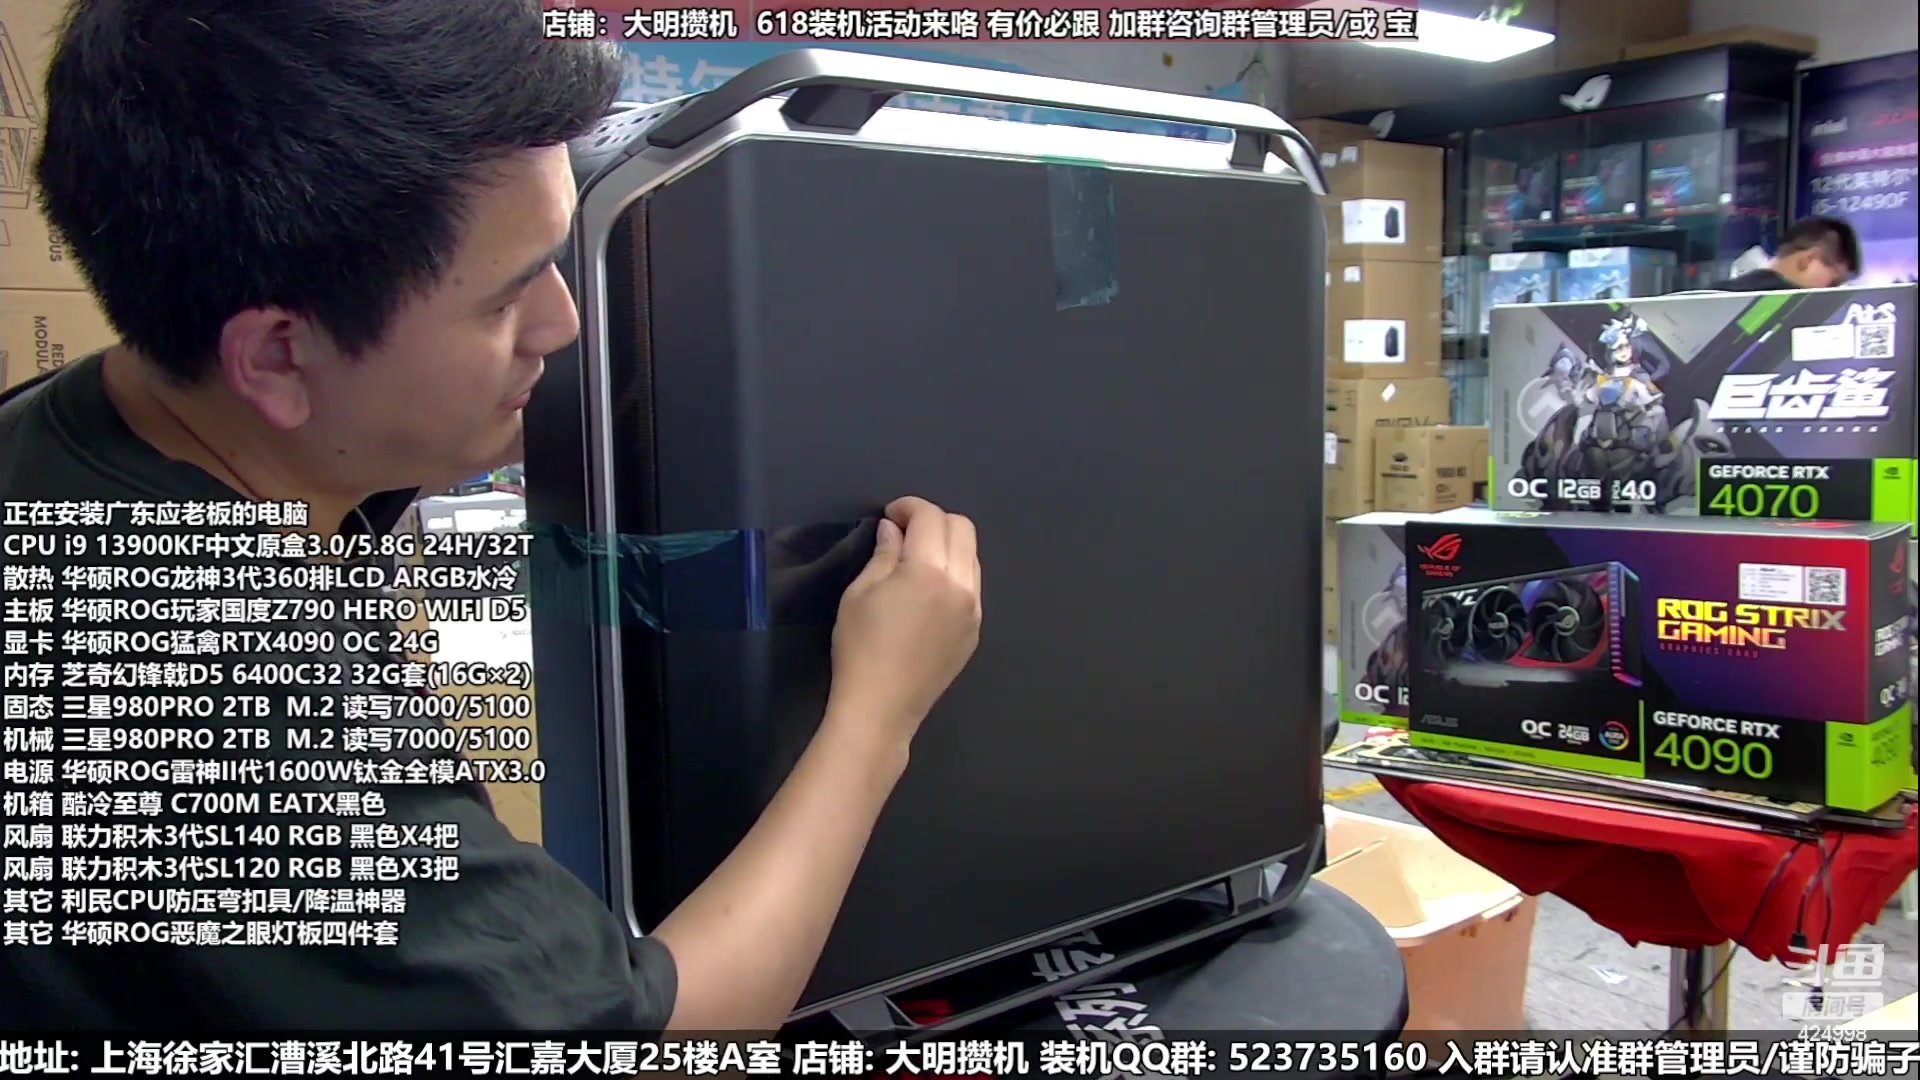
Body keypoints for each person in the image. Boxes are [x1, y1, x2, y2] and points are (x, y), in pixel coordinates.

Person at [0, 0, 983, 1030]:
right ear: (280, 356)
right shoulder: (233, 686)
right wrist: (878, 715)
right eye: (506, 299)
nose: (563, 321)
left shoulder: (91, 430)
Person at [1707, 216, 1862, 291]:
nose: (1834, 291)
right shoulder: (1806, 314)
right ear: (1808, 260)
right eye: (1834, 282)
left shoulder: (1714, 294)